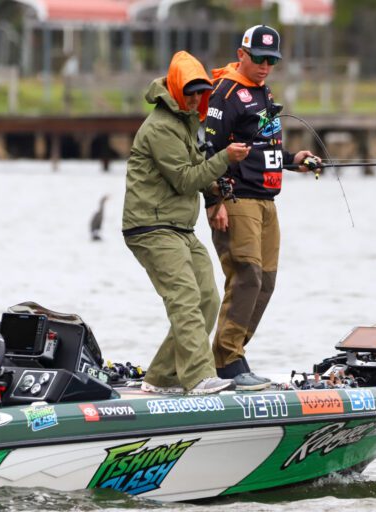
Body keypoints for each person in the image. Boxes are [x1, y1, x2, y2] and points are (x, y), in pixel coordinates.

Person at [122, 50, 250, 395]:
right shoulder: (161, 128)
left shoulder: (186, 122)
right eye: (190, 92)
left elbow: (196, 173)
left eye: (201, 93)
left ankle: (161, 378)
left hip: (179, 227)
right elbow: (183, 179)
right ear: (177, 90)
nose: (196, 99)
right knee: (184, 298)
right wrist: (225, 159)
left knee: (207, 298)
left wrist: (216, 192)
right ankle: (198, 378)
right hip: (151, 228)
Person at [204, 25, 320, 390]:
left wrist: (293, 159)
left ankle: (234, 355)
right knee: (246, 276)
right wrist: (214, 201)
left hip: (268, 203)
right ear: (242, 54)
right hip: (237, 199)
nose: (266, 65)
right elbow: (207, 152)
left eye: (272, 60)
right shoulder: (226, 94)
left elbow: (264, 145)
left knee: (266, 282)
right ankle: (226, 363)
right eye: (259, 58)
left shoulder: (264, 93)